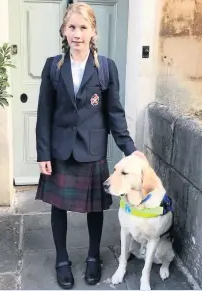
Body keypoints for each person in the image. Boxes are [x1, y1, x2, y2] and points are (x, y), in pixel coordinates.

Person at [35, 2, 146, 289]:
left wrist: (130, 149)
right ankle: (62, 258)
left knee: (95, 209)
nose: (77, 34)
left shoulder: (105, 68)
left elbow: (115, 115)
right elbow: (44, 114)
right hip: (60, 151)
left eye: (83, 28)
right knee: (58, 206)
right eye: (72, 27)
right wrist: (43, 153)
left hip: (92, 151)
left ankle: (93, 257)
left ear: (93, 32)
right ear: (64, 30)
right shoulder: (53, 67)